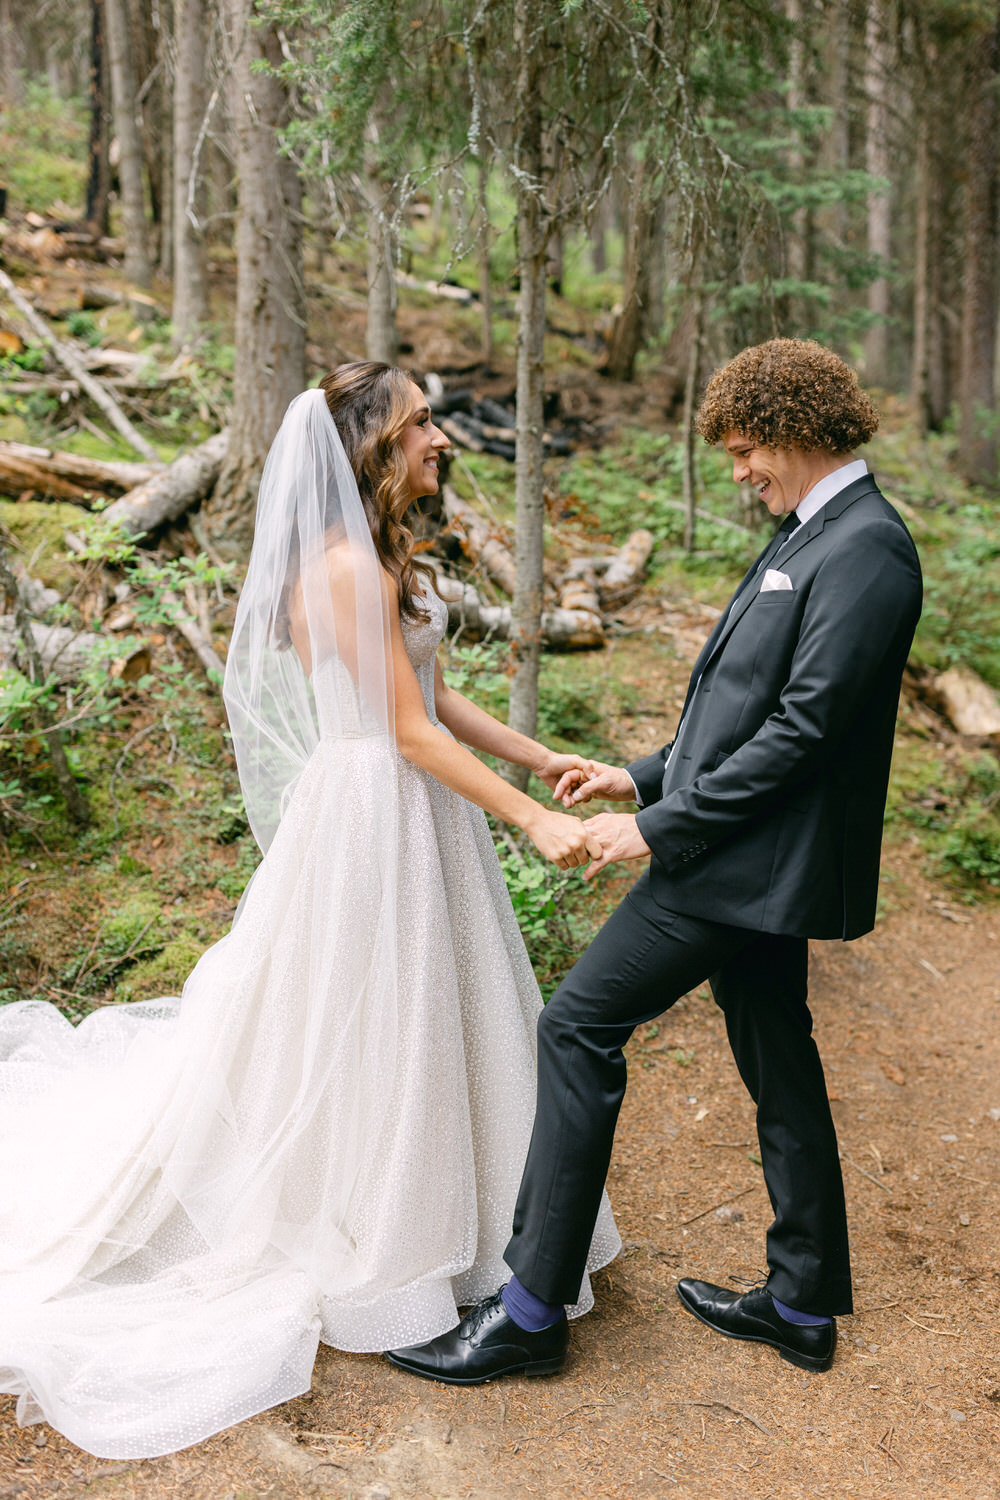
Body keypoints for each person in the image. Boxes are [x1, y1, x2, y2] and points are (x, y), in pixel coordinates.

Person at [0, 363, 620, 1459]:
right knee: (368, 1019)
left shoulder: (383, 556)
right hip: (373, 809)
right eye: (419, 419)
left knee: (430, 1013)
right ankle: (378, 1223)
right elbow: (404, 729)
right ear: (371, 446)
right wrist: (528, 819)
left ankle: (463, 1219)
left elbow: (432, 696)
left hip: (414, 803)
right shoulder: (340, 566)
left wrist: (541, 755)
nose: (439, 435)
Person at [386, 337, 922, 1385]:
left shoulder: (866, 547)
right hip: (736, 852)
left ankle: (532, 1310)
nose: (736, 472)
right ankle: (802, 1301)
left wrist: (658, 828)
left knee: (578, 1025)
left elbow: (804, 731)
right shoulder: (810, 533)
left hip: (740, 864)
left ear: (796, 431)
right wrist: (635, 777)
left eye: (743, 450)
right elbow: (738, 712)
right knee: (778, 1056)